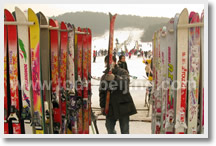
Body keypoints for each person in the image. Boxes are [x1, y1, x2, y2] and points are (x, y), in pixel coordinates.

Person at [99, 55, 137, 134]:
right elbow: (102, 92)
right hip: (110, 107)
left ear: (115, 62)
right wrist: (102, 106)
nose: (109, 64)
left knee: (125, 130)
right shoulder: (104, 76)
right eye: (107, 63)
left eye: (110, 62)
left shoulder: (123, 72)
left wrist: (115, 78)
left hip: (123, 105)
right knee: (109, 127)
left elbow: (125, 83)